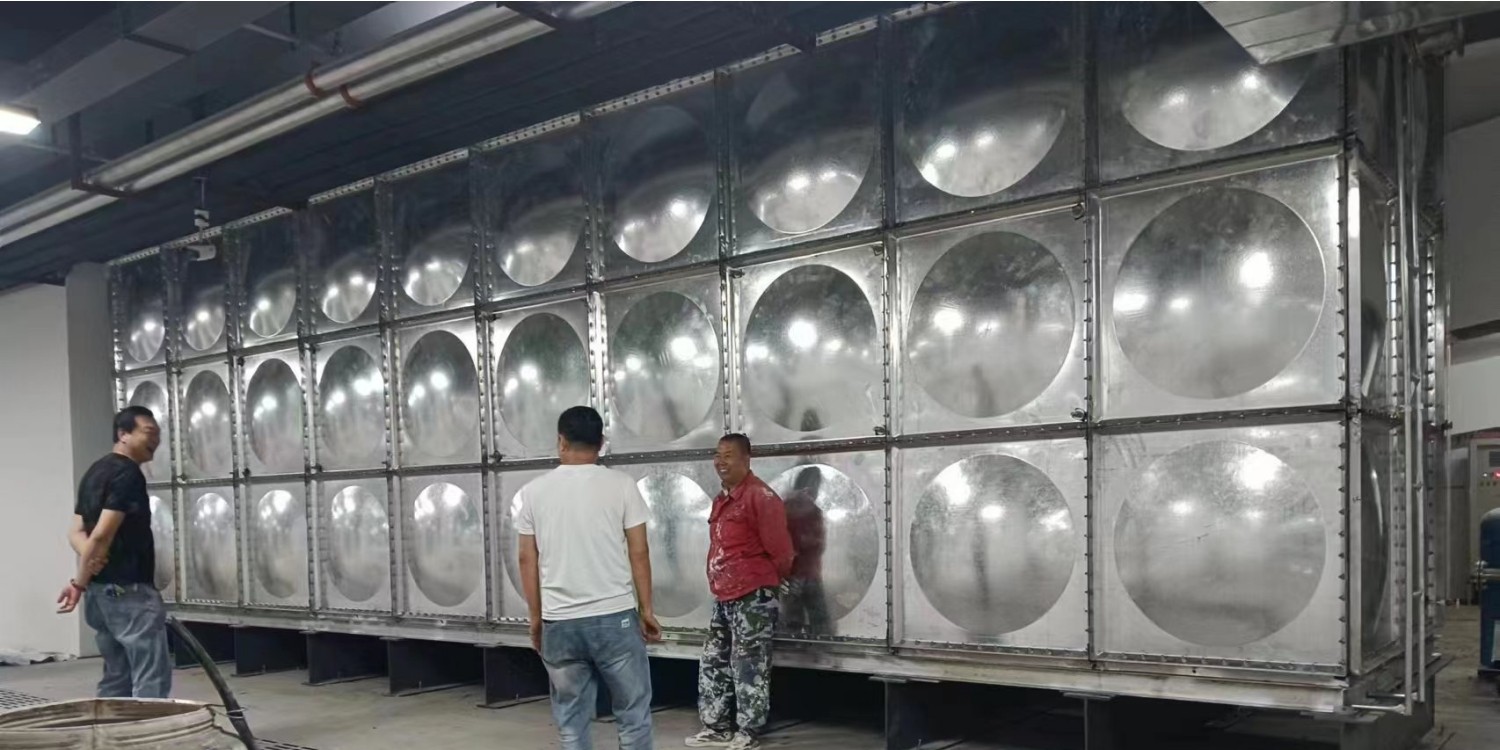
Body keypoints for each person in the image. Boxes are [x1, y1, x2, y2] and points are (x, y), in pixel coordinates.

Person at [515, 405, 662, 750]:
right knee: (633, 716)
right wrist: (646, 610)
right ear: (601, 442)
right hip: (615, 619)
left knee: (571, 722)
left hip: (560, 622)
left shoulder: (534, 492)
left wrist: (536, 618)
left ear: (561, 441)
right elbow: (639, 551)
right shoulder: (622, 485)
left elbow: (526, 558)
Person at [686, 434, 795, 750]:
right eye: (717, 455)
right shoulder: (723, 499)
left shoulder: (761, 497)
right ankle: (717, 727)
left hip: (752, 596)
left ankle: (749, 732)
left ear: (747, 459)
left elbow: (782, 552)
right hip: (724, 594)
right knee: (714, 661)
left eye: (728, 455)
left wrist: (767, 584)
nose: (721, 462)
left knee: (749, 664)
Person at [56, 405, 170, 699]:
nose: (155, 439)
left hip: (100, 594)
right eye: (148, 432)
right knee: (149, 677)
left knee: (116, 676)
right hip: (129, 591)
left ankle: (108, 725)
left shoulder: (95, 471)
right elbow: (102, 534)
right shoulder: (127, 474)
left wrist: (87, 572)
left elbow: (75, 532)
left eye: (158, 433)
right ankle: (147, 727)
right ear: (123, 434)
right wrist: (81, 578)